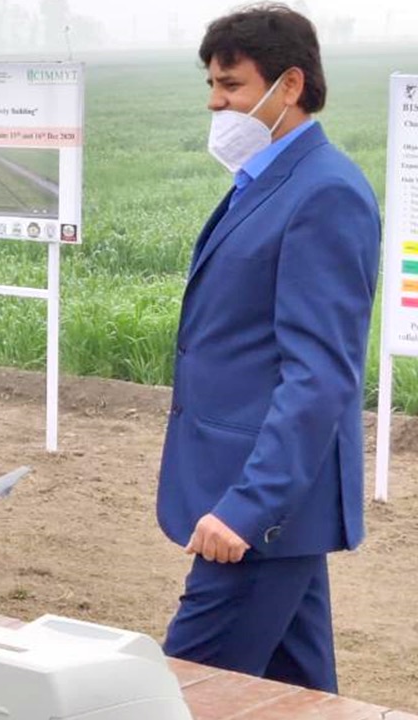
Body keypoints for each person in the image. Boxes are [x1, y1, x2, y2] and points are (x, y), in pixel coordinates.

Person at [157, 4, 381, 693]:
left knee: (181, 691)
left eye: (231, 87)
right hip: (283, 509)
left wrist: (248, 508)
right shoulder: (264, 181)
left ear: (289, 86)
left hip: (260, 511)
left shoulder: (326, 194)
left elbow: (319, 377)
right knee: (296, 696)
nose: (215, 103)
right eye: (212, 87)